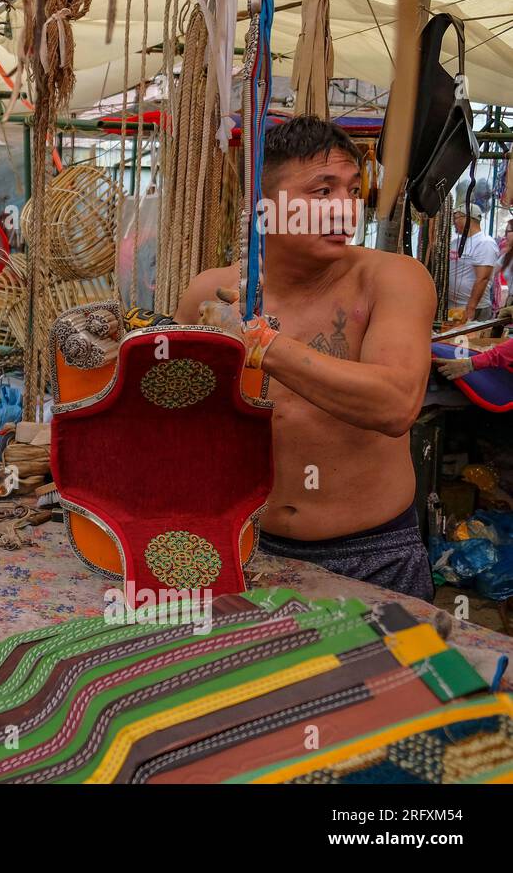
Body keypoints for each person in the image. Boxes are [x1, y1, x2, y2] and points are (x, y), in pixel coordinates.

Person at [174, 116, 436, 600]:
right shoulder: (210, 293)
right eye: (322, 191)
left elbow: (395, 405)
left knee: (384, 678)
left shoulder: (392, 279)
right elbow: (178, 421)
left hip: (372, 554)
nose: (346, 209)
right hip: (245, 543)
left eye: (354, 191)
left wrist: (262, 344)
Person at [447, 200, 497, 323]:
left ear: (468, 218)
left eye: (456, 217)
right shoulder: (455, 243)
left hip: (474, 309)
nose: (453, 222)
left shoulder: (485, 243)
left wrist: (471, 307)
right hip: (452, 307)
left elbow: (483, 278)